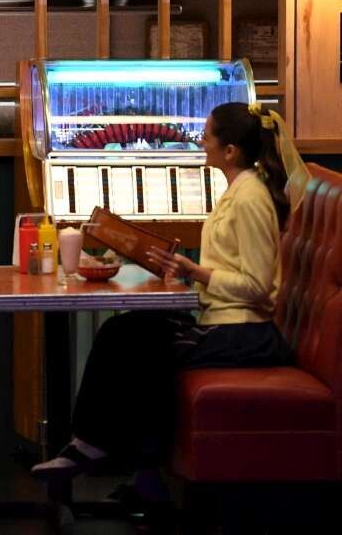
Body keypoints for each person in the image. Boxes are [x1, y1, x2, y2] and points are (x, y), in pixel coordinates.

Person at [31, 102, 310, 494]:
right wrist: (178, 269)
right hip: (222, 323)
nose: (201, 142)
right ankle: (109, 456)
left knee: (142, 346)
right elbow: (232, 271)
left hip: (246, 335)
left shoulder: (250, 199)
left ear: (230, 151)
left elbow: (258, 287)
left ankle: (111, 458)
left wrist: (195, 272)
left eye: (207, 136)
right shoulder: (238, 191)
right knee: (123, 330)